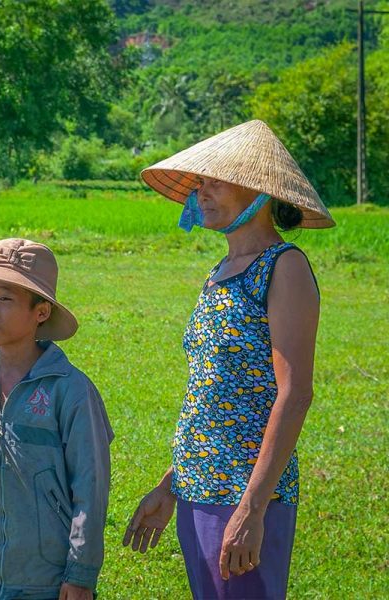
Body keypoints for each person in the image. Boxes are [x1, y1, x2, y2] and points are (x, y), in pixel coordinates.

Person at [122, 120, 335, 599]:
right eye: (199, 184)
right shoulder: (218, 272)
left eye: (214, 182)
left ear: (259, 192)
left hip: (245, 494)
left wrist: (252, 508)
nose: (201, 194)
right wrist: (169, 485)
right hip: (197, 487)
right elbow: (212, 395)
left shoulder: (285, 267)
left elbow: (295, 393)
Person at [0, 238, 114, 600]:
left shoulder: (71, 390)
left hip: (46, 583)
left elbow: (91, 489)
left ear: (41, 312)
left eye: (5, 299)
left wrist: (81, 574)